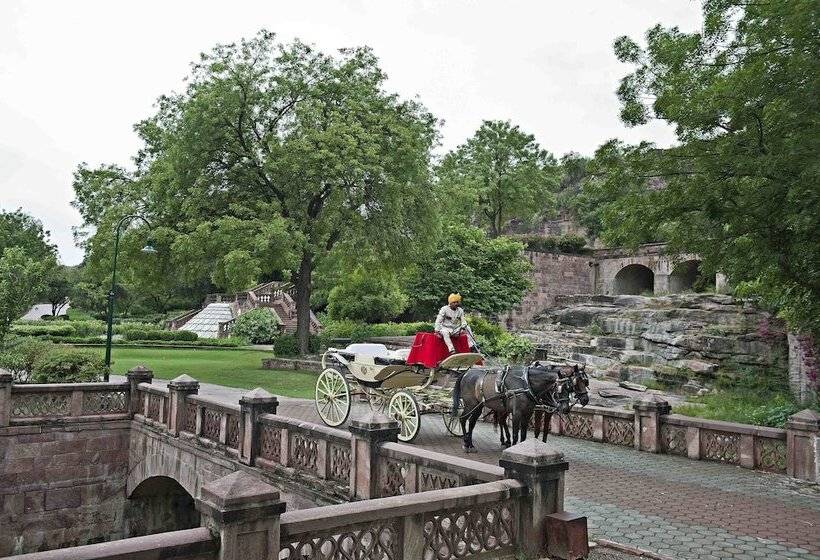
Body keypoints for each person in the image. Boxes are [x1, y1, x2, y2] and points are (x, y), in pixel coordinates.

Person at [434, 293, 477, 419]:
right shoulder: (444, 309)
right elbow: (439, 320)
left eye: (457, 302)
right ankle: (451, 349)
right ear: (450, 303)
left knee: (467, 328)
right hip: (445, 329)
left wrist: (464, 325)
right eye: (454, 302)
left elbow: (462, 319)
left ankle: (471, 344)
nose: (456, 304)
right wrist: (437, 330)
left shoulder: (460, 311)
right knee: (446, 333)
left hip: (455, 329)